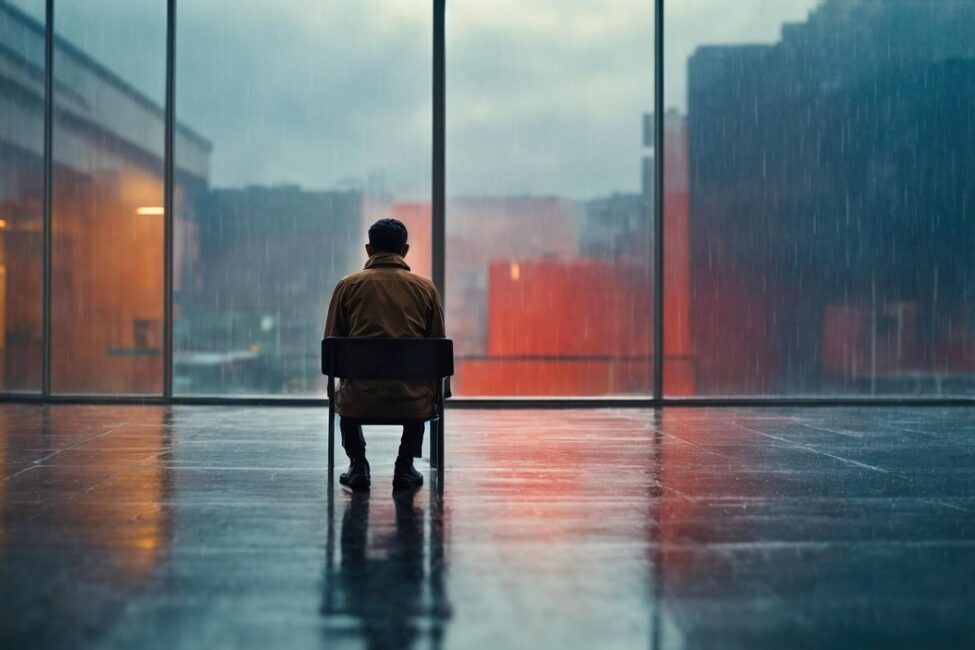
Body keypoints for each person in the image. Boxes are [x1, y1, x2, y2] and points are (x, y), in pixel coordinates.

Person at [324, 218, 447, 490]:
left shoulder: (347, 286)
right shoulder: (426, 289)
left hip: (359, 399)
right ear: (404, 250)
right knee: (423, 387)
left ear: (369, 250)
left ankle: (358, 464)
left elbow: (332, 348)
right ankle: (405, 465)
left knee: (344, 389)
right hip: (412, 401)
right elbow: (437, 351)